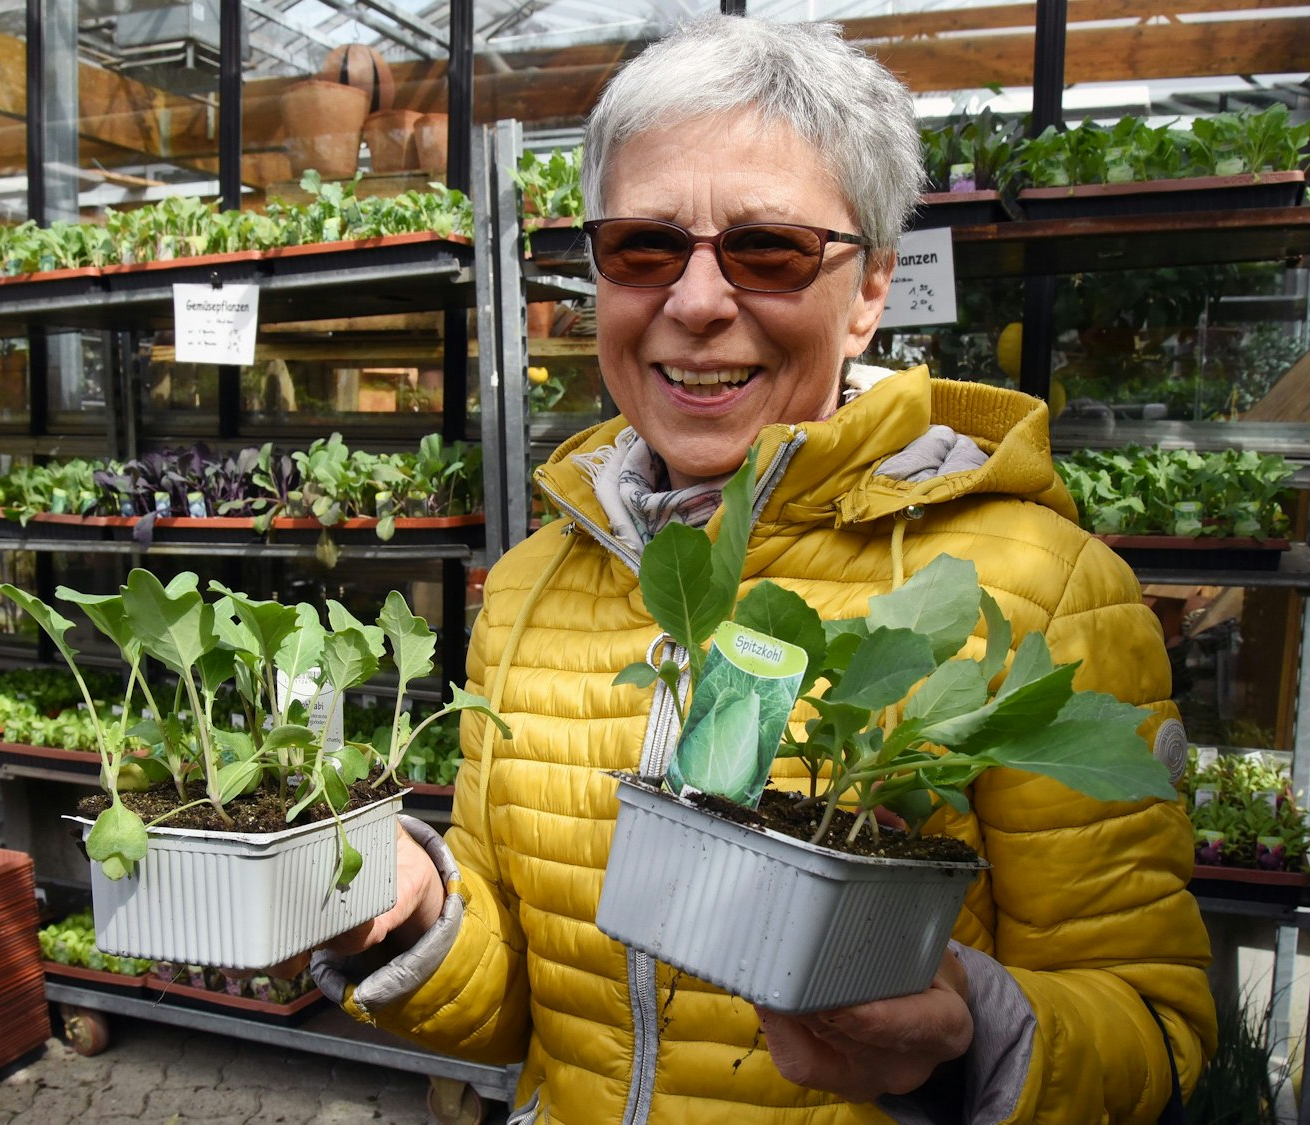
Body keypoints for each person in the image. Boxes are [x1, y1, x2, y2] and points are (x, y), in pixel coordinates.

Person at [312, 16, 1216, 1124]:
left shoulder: (1040, 588)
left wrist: (971, 1031)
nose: (694, 303)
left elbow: (1154, 1031)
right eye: (643, 246)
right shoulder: (537, 583)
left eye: (769, 248)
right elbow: (529, 1020)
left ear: (871, 288)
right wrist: (418, 920)